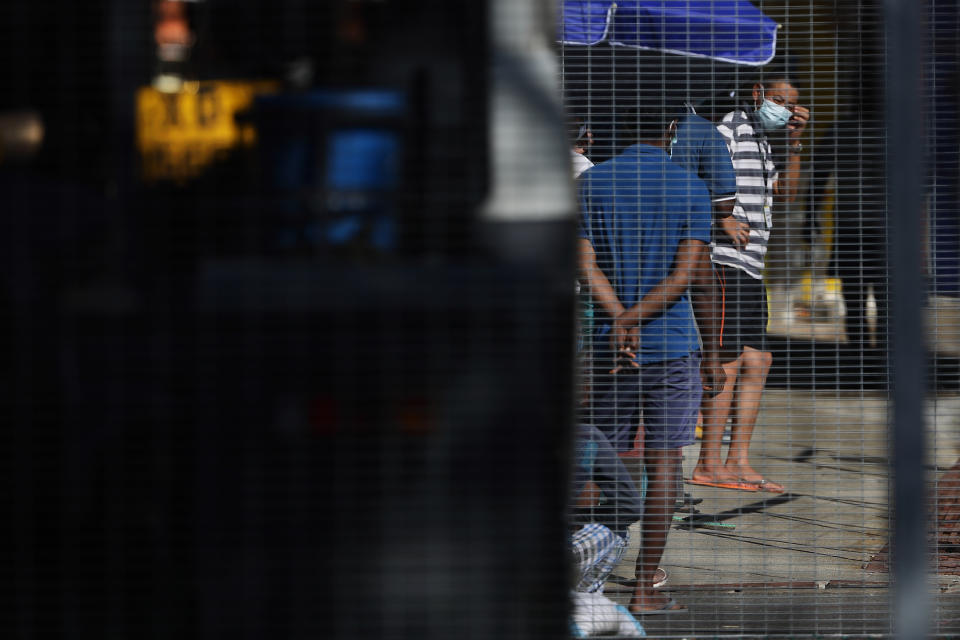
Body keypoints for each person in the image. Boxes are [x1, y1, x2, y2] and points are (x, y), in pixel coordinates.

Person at [577, 105, 717, 614]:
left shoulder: (592, 183)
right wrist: (713, 356)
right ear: (672, 127)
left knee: (601, 462)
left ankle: (584, 582)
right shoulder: (691, 187)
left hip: (612, 351)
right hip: (673, 348)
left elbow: (584, 262)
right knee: (665, 465)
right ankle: (641, 590)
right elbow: (688, 277)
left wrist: (618, 318)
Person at [690, 75, 809, 493]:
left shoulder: (763, 140)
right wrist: (721, 218)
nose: (783, 108)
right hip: (723, 260)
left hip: (754, 264)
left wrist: (794, 143)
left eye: (790, 104)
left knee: (759, 361)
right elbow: (693, 173)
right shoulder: (727, 127)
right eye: (777, 99)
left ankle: (738, 459)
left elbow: (788, 194)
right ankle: (708, 463)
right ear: (757, 93)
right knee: (727, 361)